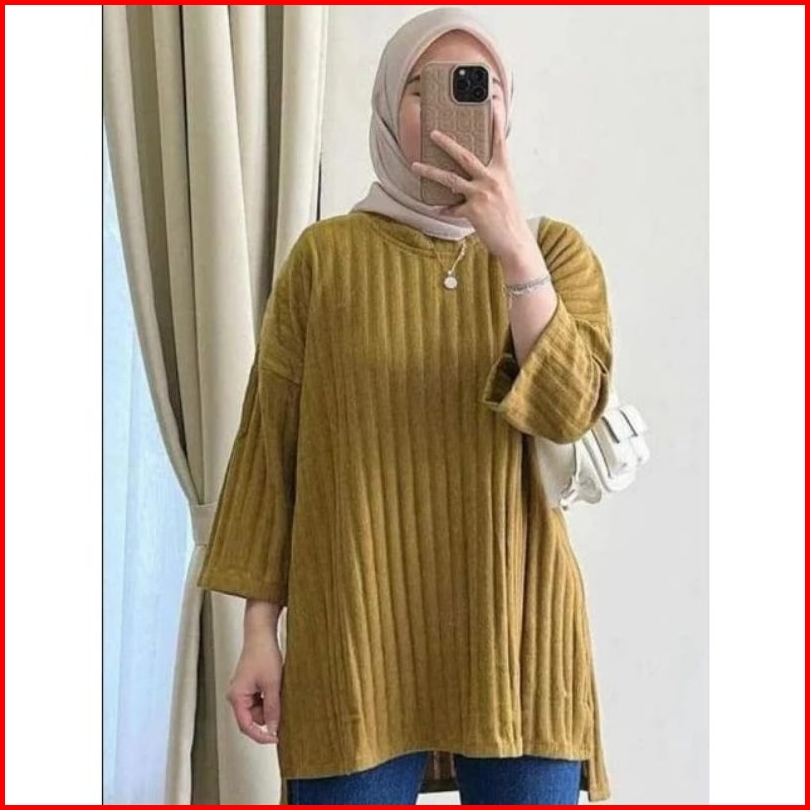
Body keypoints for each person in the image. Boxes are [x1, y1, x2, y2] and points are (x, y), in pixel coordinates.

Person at [197, 7, 614, 806]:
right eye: (423, 86)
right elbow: (270, 452)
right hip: (354, 631)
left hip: (519, 637)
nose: (449, 105)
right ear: (389, 105)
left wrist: (513, 251)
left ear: (507, 109)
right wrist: (257, 632)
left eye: (475, 87)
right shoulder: (325, 260)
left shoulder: (556, 253)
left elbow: (570, 410)